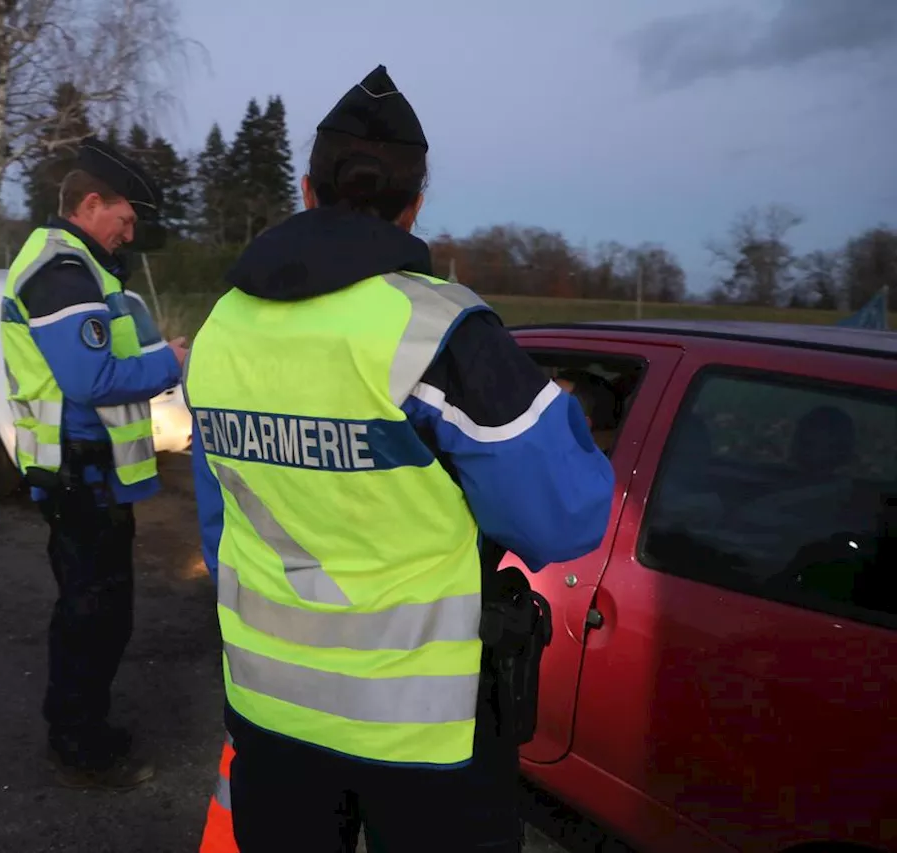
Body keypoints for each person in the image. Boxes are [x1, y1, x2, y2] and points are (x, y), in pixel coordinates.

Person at [186, 66, 615, 852]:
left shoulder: (222, 327)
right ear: (415, 205)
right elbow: (567, 515)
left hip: (270, 714)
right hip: (424, 743)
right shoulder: (440, 334)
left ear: (307, 191)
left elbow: (221, 521)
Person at [0, 136, 188, 790]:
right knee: (92, 610)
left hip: (89, 470)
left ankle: (82, 721)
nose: (128, 234)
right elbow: (91, 377)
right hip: (78, 471)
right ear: (89, 203)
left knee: (100, 607)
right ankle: (78, 739)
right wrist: (172, 360)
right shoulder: (60, 267)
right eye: (124, 220)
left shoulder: (82, 266)